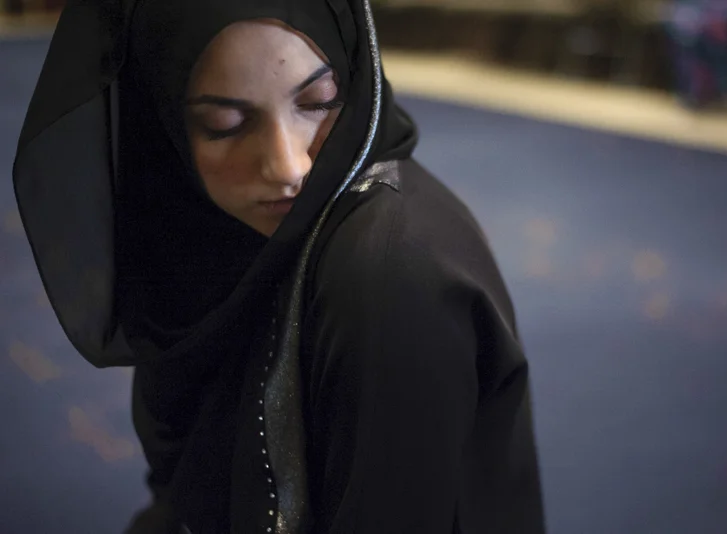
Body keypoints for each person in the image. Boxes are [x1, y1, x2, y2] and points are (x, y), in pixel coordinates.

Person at [13, 0, 545, 532]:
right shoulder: (204, 236)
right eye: (225, 124)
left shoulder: (390, 279)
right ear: (162, 132)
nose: (290, 167)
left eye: (318, 101)